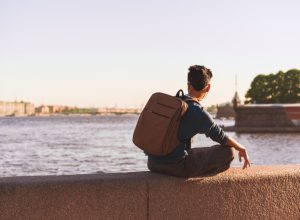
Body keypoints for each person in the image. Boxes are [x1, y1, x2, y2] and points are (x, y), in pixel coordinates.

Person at [147, 65, 251, 177]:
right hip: (175, 166)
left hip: (153, 163)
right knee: (228, 152)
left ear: (188, 85)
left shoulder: (175, 102)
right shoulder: (197, 111)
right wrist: (241, 147)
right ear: (208, 87)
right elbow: (221, 136)